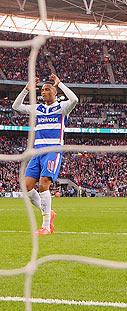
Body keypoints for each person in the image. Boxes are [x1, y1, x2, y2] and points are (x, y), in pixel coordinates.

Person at [12, 73, 79, 235]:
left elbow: (75, 100)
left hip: (53, 150)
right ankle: (50, 212)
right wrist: (26, 90)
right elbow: (16, 107)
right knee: (26, 187)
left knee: (43, 184)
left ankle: (46, 226)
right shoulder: (38, 109)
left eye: (47, 89)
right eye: (42, 90)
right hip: (37, 152)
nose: (43, 92)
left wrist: (59, 83)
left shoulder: (62, 108)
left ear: (55, 92)